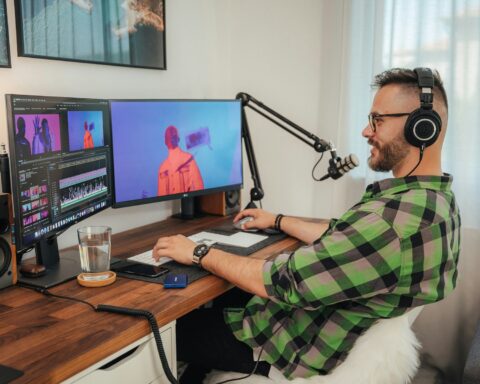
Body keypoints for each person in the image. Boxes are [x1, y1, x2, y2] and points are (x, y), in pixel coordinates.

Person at [152, 68, 461, 383]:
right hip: (313, 325)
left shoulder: (390, 225)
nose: (366, 132)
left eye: (377, 120)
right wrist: (279, 221)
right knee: (218, 296)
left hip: (283, 347)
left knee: (170, 332)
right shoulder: (435, 202)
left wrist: (198, 251)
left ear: (421, 127)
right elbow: (349, 236)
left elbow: (284, 280)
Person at [157, 125, 204, 196]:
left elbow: (199, 187)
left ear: (177, 139)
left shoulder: (188, 159)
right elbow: (160, 196)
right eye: (168, 136)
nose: (171, 138)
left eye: (173, 135)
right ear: (165, 141)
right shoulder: (162, 168)